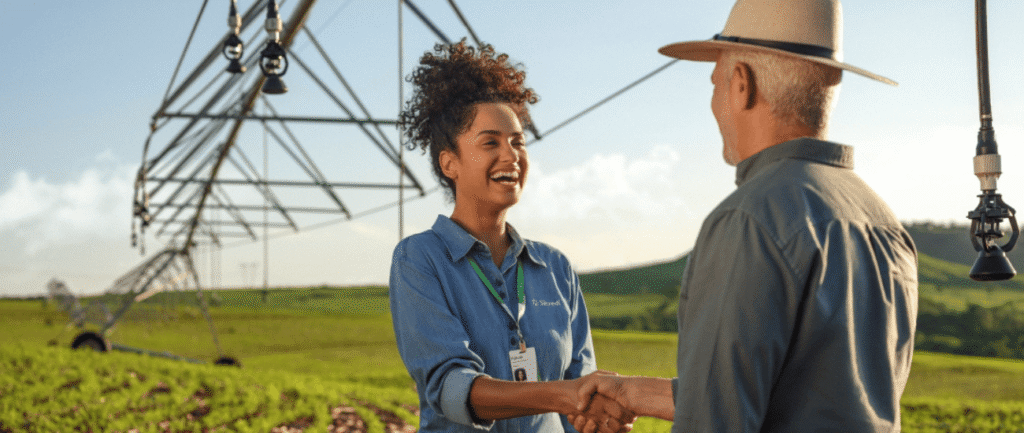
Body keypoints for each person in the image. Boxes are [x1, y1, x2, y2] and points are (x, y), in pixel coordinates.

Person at [574, 0, 919, 431]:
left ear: (741, 84)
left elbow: (715, 421)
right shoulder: (883, 221)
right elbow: (815, 395)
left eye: (715, 83)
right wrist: (635, 392)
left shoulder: (749, 219)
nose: (714, 103)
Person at [389, 40, 636, 433]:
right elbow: (452, 387)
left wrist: (596, 418)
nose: (511, 155)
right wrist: (562, 394)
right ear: (449, 163)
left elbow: (581, 390)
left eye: (518, 141)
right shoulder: (420, 259)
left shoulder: (555, 267)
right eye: (490, 143)